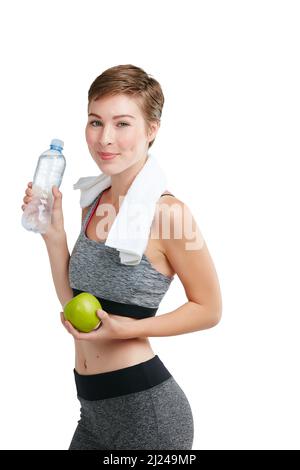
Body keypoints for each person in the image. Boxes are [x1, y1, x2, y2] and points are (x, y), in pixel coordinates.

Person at [21, 64, 222, 450]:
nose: (105, 138)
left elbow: (209, 308)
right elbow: (76, 305)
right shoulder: (93, 202)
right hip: (92, 411)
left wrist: (127, 329)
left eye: (122, 124)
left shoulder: (169, 214)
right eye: (96, 122)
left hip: (147, 414)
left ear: (151, 130)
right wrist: (54, 233)